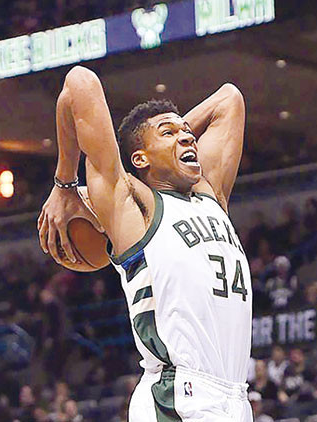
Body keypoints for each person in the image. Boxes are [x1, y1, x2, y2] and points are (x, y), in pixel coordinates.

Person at [37, 66, 251, 421]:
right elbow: (79, 82)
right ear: (140, 159)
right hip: (178, 397)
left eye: (188, 133)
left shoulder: (211, 195)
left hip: (234, 397)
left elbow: (229, 99)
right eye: (169, 133)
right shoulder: (132, 206)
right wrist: (64, 183)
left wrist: (170, 135)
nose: (188, 138)